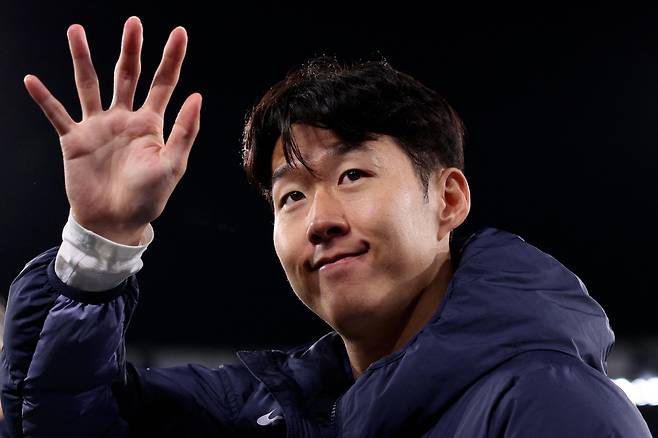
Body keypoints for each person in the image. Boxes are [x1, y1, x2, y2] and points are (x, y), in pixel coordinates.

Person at [0, 16, 651, 438]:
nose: (318, 222)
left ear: (448, 200)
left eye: (352, 177)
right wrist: (100, 240)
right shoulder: (280, 406)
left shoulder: (553, 408)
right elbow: (56, 422)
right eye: (290, 197)